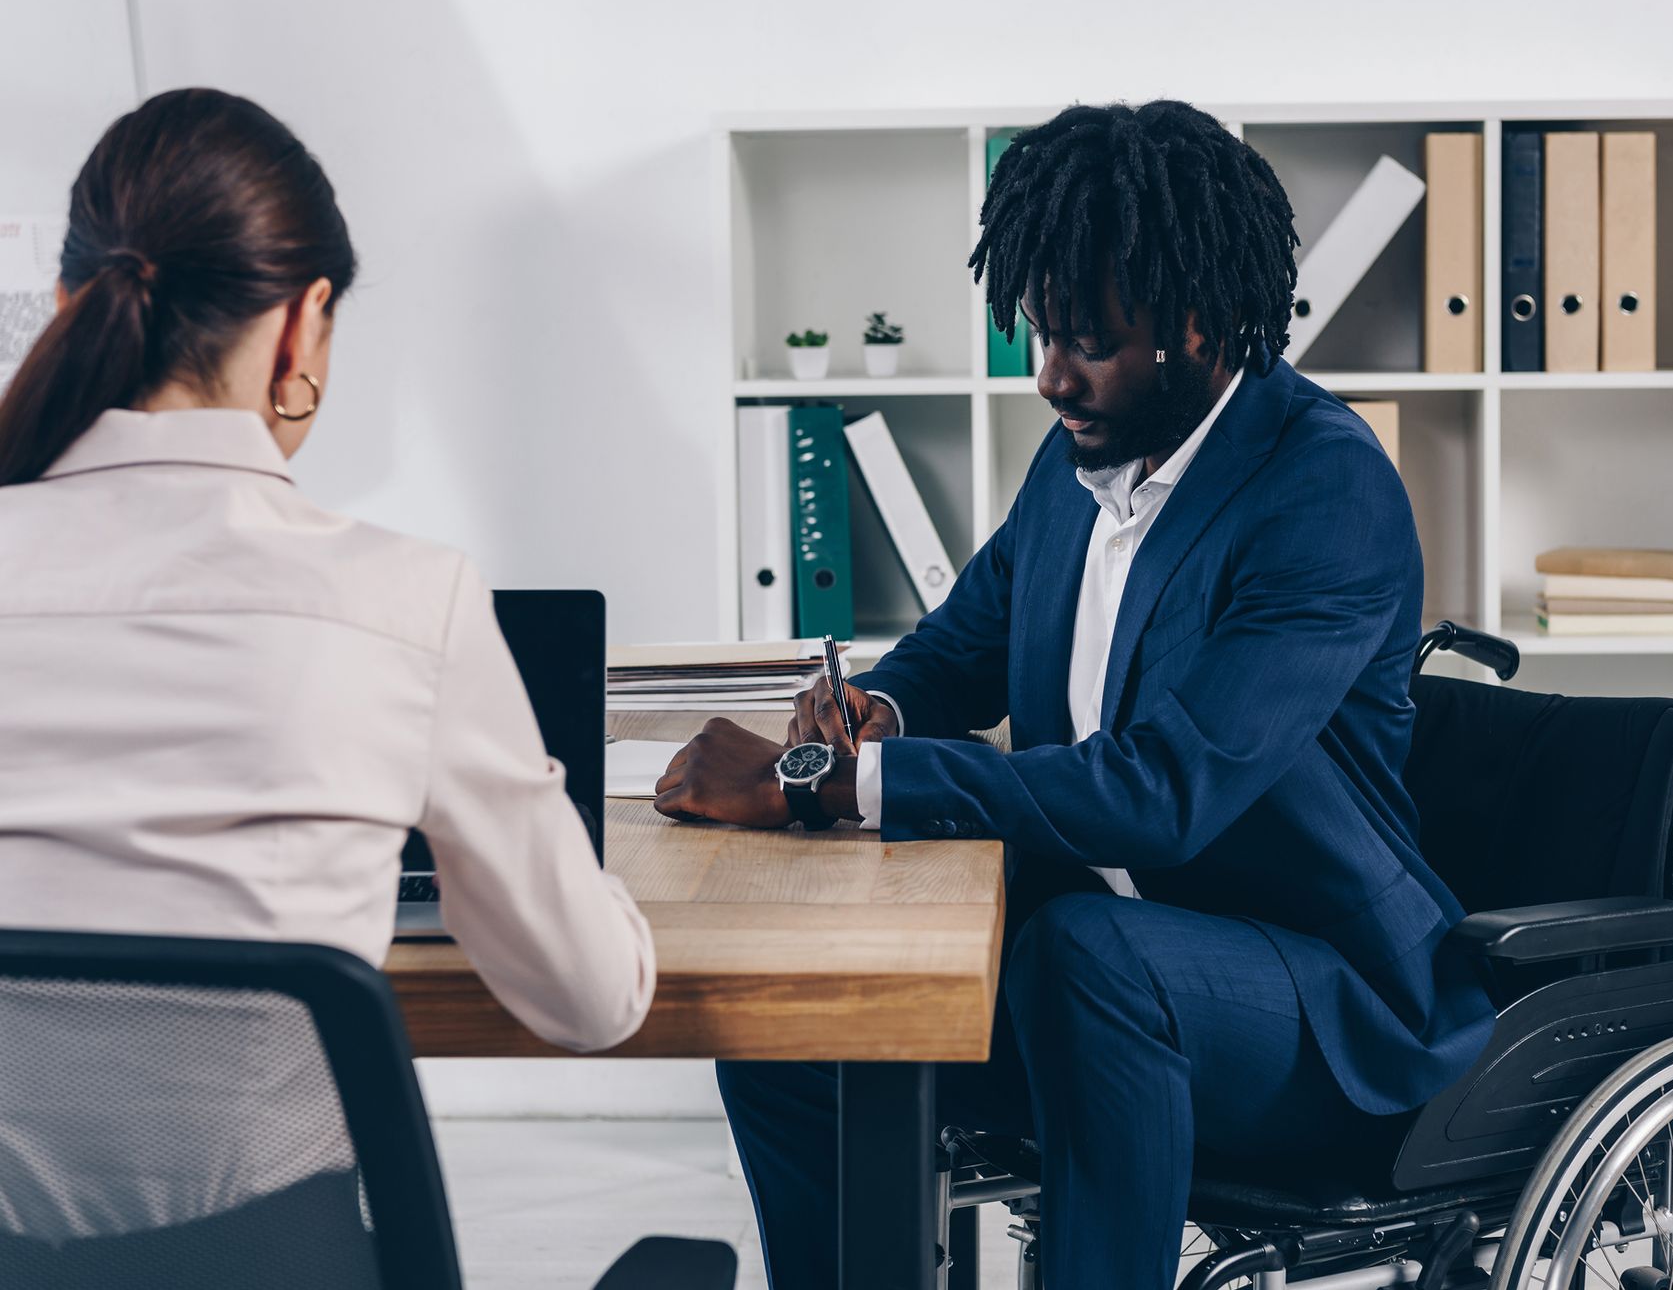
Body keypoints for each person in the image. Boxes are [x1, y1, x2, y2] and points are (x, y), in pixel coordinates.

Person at [657, 100, 1497, 1288]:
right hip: (1092, 967)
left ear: (1197, 323)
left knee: (1087, 958)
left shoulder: (1324, 491)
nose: (1050, 374)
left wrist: (827, 787)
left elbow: (1164, 790)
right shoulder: (1086, 457)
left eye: (1087, 340)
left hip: (1322, 1009)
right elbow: (963, 648)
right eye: (1042, 333)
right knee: (791, 1017)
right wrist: (873, 715)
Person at [0, 89, 654, 1258]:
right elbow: (590, 1002)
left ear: (67, 305)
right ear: (302, 325)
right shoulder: (401, 599)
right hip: (268, 1261)